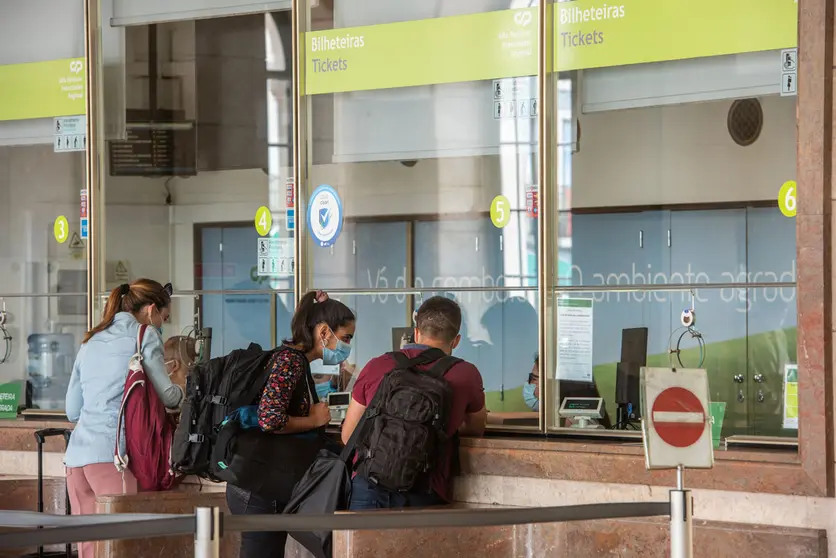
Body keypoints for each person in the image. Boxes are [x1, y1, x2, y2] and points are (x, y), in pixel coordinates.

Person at [226, 289, 355, 558]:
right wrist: (314, 419)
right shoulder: (290, 361)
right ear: (323, 332)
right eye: (345, 338)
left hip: (263, 483)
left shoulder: (294, 361)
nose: (346, 346)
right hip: (257, 487)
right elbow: (270, 418)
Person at [64, 279, 184, 558]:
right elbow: (168, 396)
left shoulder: (90, 340)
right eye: (163, 318)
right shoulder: (143, 335)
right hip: (113, 458)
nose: (162, 324)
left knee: (90, 551)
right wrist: (187, 390)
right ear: (152, 309)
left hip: (77, 459)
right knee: (121, 549)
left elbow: (72, 410)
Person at [341, 296, 487, 510]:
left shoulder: (378, 365)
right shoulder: (467, 374)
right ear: (456, 340)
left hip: (369, 486)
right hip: (425, 489)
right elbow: (476, 429)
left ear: (416, 332)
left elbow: (348, 436)